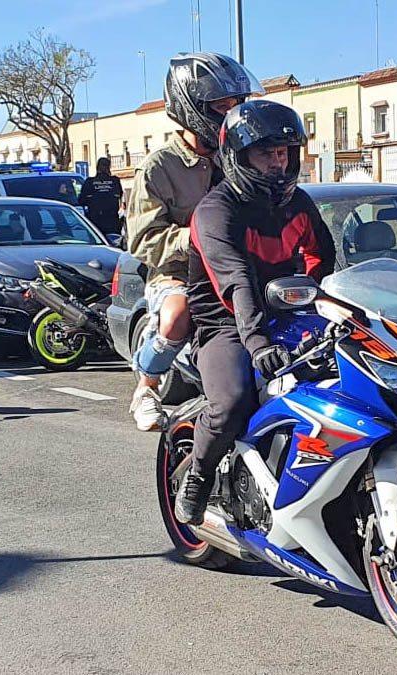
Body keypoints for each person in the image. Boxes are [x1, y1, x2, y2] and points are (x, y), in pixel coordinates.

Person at [172, 99, 336, 525]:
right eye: (266, 153)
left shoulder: (298, 203)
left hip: (287, 314)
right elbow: (235, 282)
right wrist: (258, 341)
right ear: (238, 156)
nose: (278, 164)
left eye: (284, 153)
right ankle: (199, 473)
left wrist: (324, 304)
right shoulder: (215, 211)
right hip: (224, 324)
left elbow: (323, 257)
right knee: (232, 401)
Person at [126, 52, 262, 431]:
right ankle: (147, 386)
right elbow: (143, 240)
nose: (232, 113)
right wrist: (203, 239)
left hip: (239, 268)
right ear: (193, 106)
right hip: (178, 275)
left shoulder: (240, 157)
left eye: (237, 104)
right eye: (222, 105)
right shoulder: (158, 167)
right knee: (177, 314)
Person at [78, 157, 124, 236]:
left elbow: (81, 200)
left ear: (97, 167)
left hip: (95, 221)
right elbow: (120, 195)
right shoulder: (115, 181)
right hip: (112, 221)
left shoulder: (89, 182)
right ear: (109, 167)